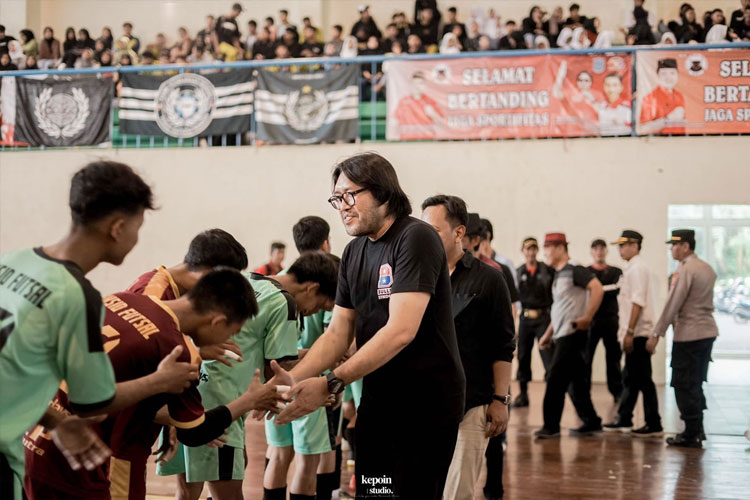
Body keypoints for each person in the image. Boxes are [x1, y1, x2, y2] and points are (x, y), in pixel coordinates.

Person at [271, 152, 466, 499]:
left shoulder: (416, 238)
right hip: (379, 401)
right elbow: (338, 332)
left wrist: (331, 382)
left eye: (349, 195)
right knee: (375, 491)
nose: (342, 206)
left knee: (408, 494)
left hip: (425, 404)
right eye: (336, 198)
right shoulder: (353, 252)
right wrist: (295, 378)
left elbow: (401, 330)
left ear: (383, 193)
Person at [0, 161, 197, 500]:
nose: (137, 237)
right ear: (117, 228)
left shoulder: (12, 261)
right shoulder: (77, 295)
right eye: (138, 227)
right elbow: (93, 403)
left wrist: (54, 420)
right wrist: (160, 381)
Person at [24, 269, 284, 500]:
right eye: (232, 332)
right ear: (217, 321)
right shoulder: (177, 350)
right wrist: (250, 400)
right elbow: (194, 433)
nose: (229, 340)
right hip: (78, 460)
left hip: (34, 435)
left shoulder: (124, 297)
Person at [165, 252, 338, 500]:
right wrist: (320, 377)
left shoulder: (246, 280)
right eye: (320, 305)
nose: (311, 312)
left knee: (188, 489)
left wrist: (313, 353)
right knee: (230, 492)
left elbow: (257, 349)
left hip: (188, 392)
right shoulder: (283, 301)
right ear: (311, 288)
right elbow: (278, 368)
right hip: (221, 405)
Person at [421, 195, 514, 500]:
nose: (425, 238)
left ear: (459, 232)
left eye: (433, 231)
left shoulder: (489, 280)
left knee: (457, 491)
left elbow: (503, 345)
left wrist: (500, 400)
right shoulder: (416, 277)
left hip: (470, 404)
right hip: (422, 404)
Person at [264, 223, 341, 500]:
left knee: (278, 454)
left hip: (273, 383)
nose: (315, 311)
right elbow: (336, 338)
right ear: (325, 244)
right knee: (310, 459)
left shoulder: (274, 280)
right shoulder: (304, 293)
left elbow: (272, 355)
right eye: (321, 306)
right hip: (307, 383)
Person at [649, 229, 718, 448]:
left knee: (683, 383)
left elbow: (674, 303)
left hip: (689, 333)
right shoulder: (707, 268)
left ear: (686, 246)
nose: (672, 249)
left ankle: (690, 433)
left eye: (675, 245)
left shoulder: (685, 270)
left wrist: (657, 333)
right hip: (707, 332)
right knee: (696, 381)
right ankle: (698, 428)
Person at [535, 232, 604, 439]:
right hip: (562, 334)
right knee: (577, 382)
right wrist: (548, 334)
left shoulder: (575, 269)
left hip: (573, 334)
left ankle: (551, 426)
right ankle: (591, 421)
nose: (544, 252)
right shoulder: (558, 274)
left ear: (559, 248)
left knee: (554, 379)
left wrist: (588, 317)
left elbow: (597, 289)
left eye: (547, 248)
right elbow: (560, 309)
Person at [603, 231, 663, 436]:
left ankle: (653, 422)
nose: (620, 249)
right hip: (633, 332)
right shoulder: (631, 269)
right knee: (630, 377)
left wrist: (629, 332)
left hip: (638, 332)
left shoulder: (638, 269)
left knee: (643, 379)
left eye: (624, 245)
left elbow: (638, 302)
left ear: (635, 245)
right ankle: (625, 417)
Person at [514, 237, 555, 407]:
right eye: (527, 249)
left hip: (543, 318)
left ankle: (553, 393)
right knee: (523, 357)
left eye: (533, 249)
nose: (530, 252)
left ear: (537, 251)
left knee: (548, 356)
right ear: (523, 251)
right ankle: (523, 394)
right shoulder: (518, 272)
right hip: (525, 319)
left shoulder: (547, 271)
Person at [586, 239, 623, 402]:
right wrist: (603, 290)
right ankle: (584, 392)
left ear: (606, 251)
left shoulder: (616, 271)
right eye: (596, 249)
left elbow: (617, 289)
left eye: (602, 248)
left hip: (610, 320)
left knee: (613, 358)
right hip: (591, 320)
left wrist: (596, 289)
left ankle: (617, 392)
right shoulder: (586, 272)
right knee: (586, 358)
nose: (599, 252)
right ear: (592, 252)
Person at [639, 58, 686, 135]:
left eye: (672, 73)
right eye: (664, 73)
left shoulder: (679, 96)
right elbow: (643, 129)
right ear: (658, 75)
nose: (668, 77)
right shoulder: (649, 98)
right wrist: (668, 119)